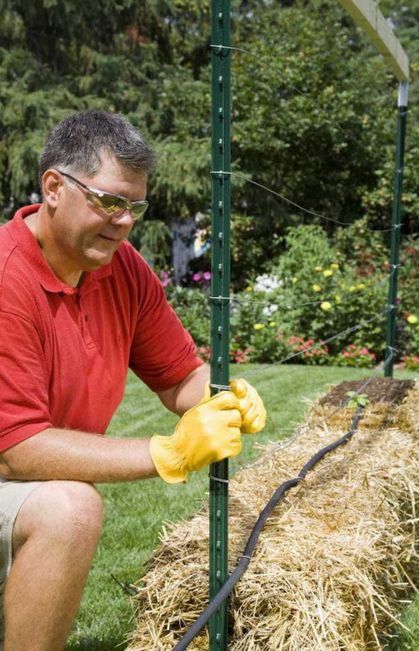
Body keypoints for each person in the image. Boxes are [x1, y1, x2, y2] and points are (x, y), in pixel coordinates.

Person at [0, 110, 266, 650]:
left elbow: (178, 377)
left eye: (134, 207)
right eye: (110, 201)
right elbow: (17, 448)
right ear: (54, 187)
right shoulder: (8, 279)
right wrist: (168, 453)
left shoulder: (122, 269)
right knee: (70, 509)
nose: (124, 221)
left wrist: (220, 399)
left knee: (69, 500)